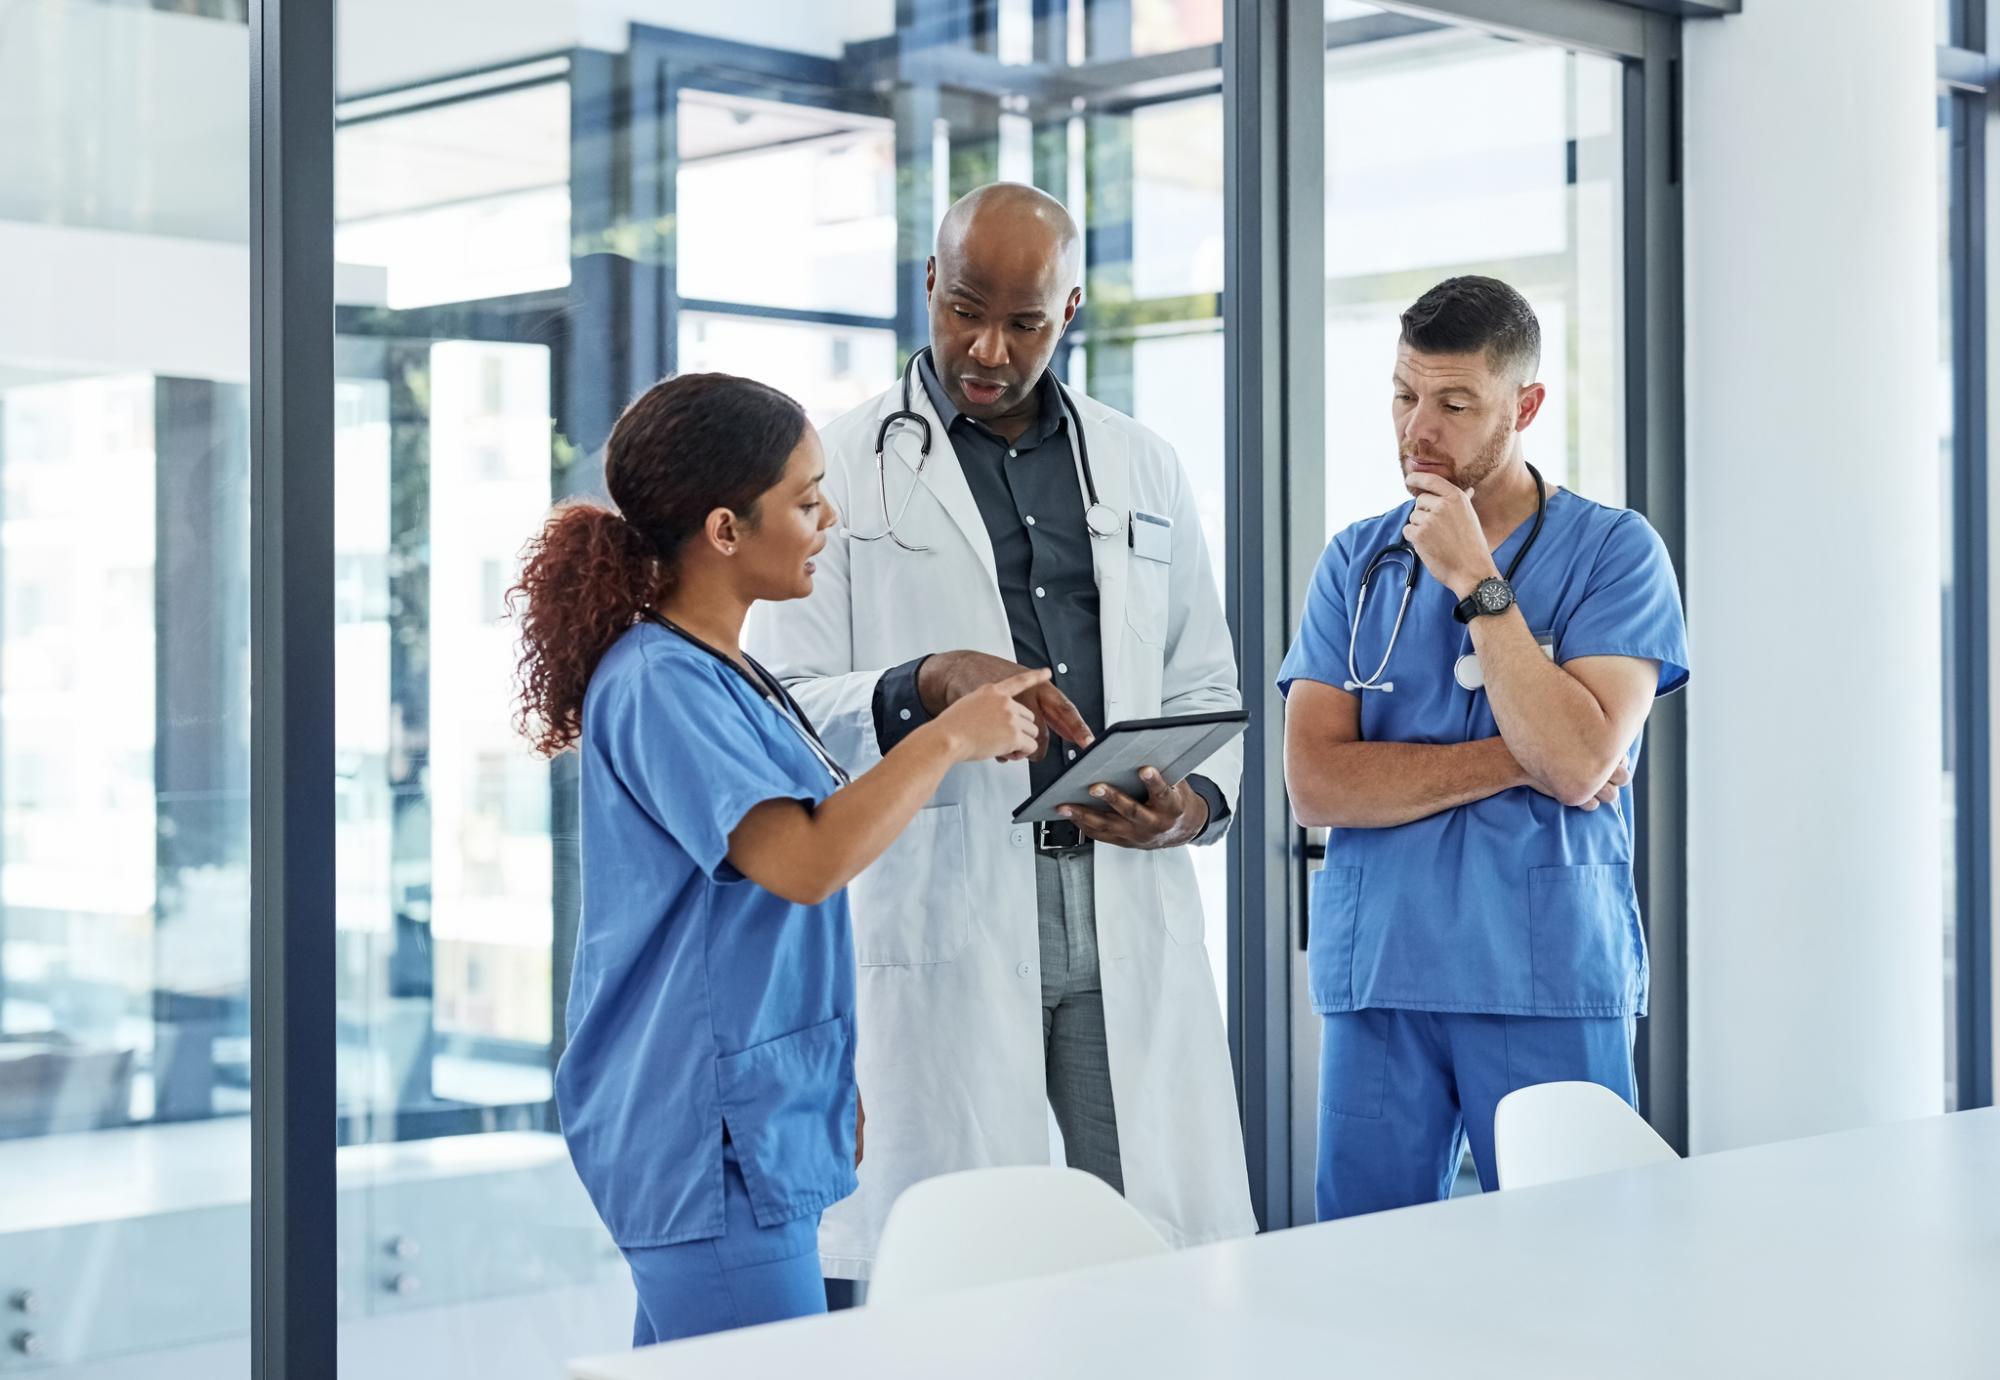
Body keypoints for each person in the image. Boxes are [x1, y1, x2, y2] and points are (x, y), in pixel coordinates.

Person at [748, 183, 1254, 1281]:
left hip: (1117, 887)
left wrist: (1191, 803)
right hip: (947, 892)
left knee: (1143, 1246)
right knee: (969, 1261)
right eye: (964, 307)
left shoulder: (1141, 465)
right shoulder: (837, 466)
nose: (986, 346)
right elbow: (784, 699)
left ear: (1067, 312)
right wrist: (920, 683)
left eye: (1023, 322)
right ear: (927, 283)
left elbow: (1201, 673)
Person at [510, 371, 1045, 1343]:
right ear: (725, 529)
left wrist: (824, 1087)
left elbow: (792, 888)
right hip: (701, 1136)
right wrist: (946, 736)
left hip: (753, 1124)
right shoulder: (657, 681)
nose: (828, 518)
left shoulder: (728, 671)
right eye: (804, 501)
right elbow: (801, 862)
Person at [1278, 276, 1690, 1219]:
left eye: (1455, 403)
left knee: (1574, 1269)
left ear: (1526, 405)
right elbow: (1317, 782)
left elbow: (1583, 763)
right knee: (1371, 1279)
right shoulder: (1356, 560)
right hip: (1382, 972)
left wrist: (1476, 579)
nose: (1419, 427)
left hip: (1542, 971)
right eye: (1403, 394)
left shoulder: (1615, 553)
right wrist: (1526, 754)